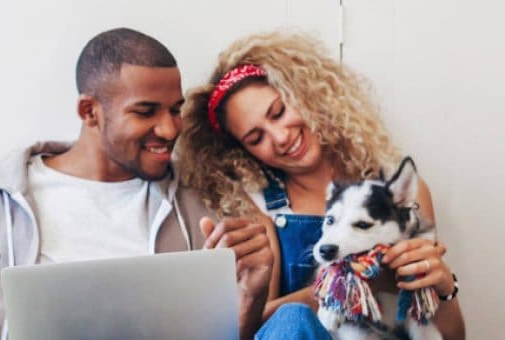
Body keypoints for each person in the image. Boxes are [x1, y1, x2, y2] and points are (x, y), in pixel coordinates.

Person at [178, 31, 465, 339]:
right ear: (244, 152)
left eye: (278, 112)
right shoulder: (259, 207)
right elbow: (265, 330)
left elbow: (452, 336)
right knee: (291, 318)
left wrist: (444, 286)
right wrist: (353, 279)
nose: (280, 137)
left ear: (305, 95)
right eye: (256, 138)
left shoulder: (400, 191)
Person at [0, 28, 274, 340]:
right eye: (146, 111)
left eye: (174, 109)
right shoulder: (6, 203)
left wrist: (249, 297)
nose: (170, 130)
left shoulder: (201, 197)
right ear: (90, 112)